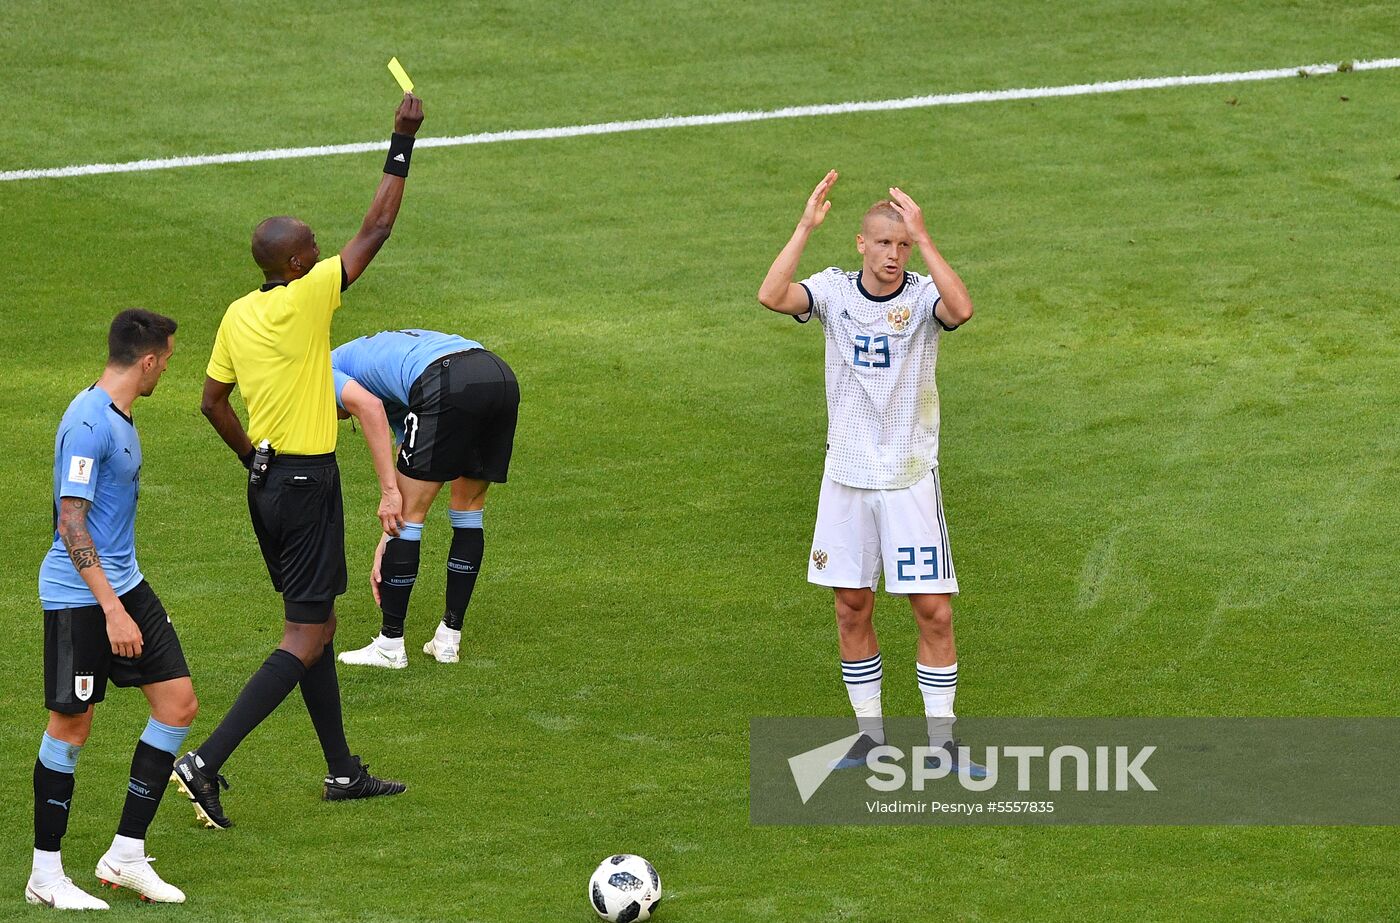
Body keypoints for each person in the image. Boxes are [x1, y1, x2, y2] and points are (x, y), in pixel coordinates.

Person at [170, 93, 424, 830]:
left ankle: (343, 769)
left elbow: (214, 401)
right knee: (303, 636)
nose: (320, 253)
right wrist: (401, 140)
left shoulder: (238, 313)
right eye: (311, 247)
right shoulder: (308, 296)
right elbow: (378, 226)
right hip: (309, 484)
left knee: (317, 624)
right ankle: (205, 759)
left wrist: (253, 457)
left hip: (269, 485)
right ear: (292, 263)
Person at [756, 171, 983, 774]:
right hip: (847, 477)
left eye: (903, 245)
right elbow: (772, 295)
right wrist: (804, 228)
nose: (894, 255)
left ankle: (942, 746)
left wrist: (928, 242)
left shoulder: (920, 298)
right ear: (861, 243)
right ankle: (869, 738)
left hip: (909, 479)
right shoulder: (831, 292)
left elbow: (961, 309)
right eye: (886, 243)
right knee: (851, 606)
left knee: (932, 609)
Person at [28, 310, 196, 909]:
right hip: (82, 595)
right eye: (168, 358)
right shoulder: (87, 422)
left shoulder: (120, 416)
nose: (168, 368)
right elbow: (70, 521)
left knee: (178, 704)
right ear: (147, 360)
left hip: (126, 584)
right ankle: (45, 875)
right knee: (72, 727)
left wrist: (125, 601)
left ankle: (125, 854)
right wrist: (111, 611)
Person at [331, 329, 519, 668]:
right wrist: (386, 538)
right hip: (497, 375)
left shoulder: (320, 371)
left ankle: (390, 645)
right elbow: (411, 450)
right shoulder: (372, 363)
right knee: (469, 511)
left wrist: (389, 494)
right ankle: (448, 639)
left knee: (411, 518)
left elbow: (368, 407)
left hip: (445, 379)